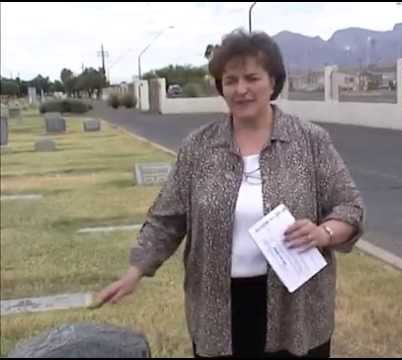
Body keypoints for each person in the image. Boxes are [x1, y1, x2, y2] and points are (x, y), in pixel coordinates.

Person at [95, 29, 365, 358]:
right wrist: (136, 270)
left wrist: (323, 233)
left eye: (252, 78)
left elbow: (349, 206)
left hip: (296, 306)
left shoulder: (310, 141)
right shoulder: (199, 147)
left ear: (273, 82)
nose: (241, 89)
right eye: (230, 80)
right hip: (217, 307)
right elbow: (167, 218)